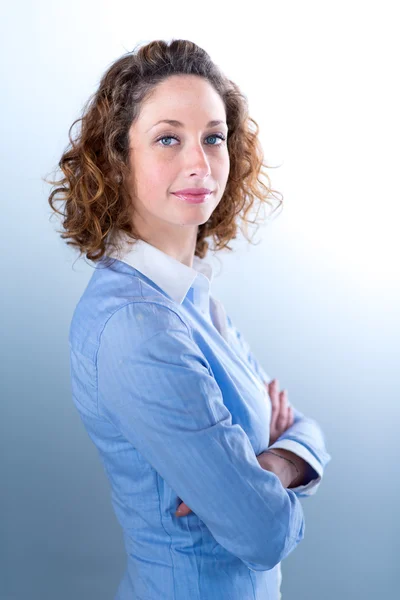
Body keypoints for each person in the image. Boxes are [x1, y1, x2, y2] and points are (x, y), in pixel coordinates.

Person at [45, 39, 332, 600]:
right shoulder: (137, 324)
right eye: (168, 138)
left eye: (213, 138)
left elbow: (303, 425)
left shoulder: (191, 294)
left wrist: (275, 465)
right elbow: (263, 533)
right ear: (116, 157)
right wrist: (278, 474)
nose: (199, 163)